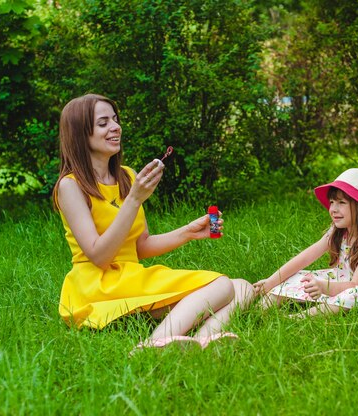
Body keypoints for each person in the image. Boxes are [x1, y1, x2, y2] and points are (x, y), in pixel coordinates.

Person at [53, 93, 254, 351]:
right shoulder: (70, 186)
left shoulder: (127, 176)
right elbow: (99, 256)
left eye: (115, 120)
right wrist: (134, 199)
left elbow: (141, 246)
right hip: (99, 285)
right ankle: (150, 344)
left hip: (130, 277)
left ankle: (200, 343)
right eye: (103, 123)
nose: (115, 127)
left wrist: (188, 233)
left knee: (242, 287)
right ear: (81, 134)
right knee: (222, 285)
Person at [253, 168, 358, 316]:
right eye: (332, 202)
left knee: (352, 296)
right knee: (299, 277)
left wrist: (324, 287)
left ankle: (298, 318)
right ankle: (257, 311)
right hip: (342, 279)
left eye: (341, 202)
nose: (333, 209)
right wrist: (271, 281)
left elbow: (357, 285)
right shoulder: (338, 231)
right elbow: (305, 257)